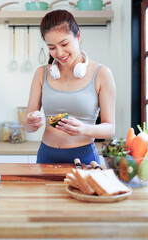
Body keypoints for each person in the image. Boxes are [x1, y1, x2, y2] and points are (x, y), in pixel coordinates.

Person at [24, 10, 116, 164]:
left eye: (64, 44)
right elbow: (28, 127)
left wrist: (83, 129)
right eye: (52, 47)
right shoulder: (41, 73)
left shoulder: (101, 74)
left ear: (78, 36)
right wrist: (31, 122)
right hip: (46, 155)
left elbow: (110, 128)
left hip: (84, 157)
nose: (59, 53)